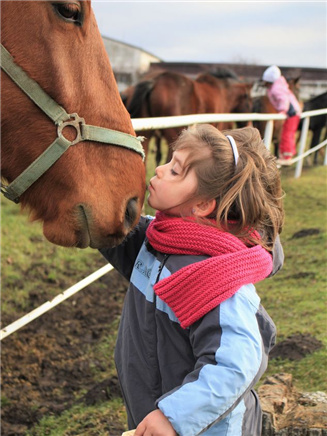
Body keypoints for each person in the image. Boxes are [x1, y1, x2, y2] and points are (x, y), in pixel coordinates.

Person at [100, 124, 284, 436]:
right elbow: (109, 223)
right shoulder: (157, 241)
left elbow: (234, 366)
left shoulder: (217, 277)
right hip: (156, 417)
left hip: (202, 428)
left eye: (175, 170)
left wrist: (173, 417)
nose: (159, 169)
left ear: (201, 205)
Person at [262, 65, 302, 163]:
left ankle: (286, 157)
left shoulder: (276, 89)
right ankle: (290, 152)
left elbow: (284, 101)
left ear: (269, 81)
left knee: (286, 134)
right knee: (290, 133)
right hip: (294, 113)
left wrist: (282, 111)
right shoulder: (279, 86)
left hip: (291, 114)